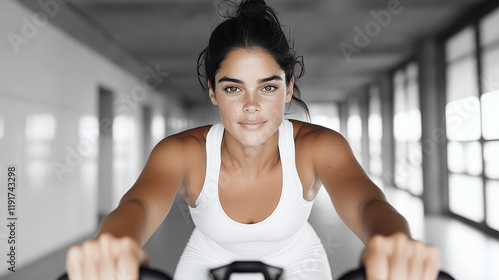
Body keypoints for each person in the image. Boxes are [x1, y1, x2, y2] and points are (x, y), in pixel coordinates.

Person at [65, 0, 440, 279]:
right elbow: (138, 206)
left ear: (289, 88)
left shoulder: (318, 146)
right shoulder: (181, 153)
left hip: (299, 261)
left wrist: (392, 239)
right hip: (206, 260)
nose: (251, 106)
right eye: (233, 88)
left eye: (268, 87)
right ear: (212, 92)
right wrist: (116, 241)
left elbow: (367, 203)